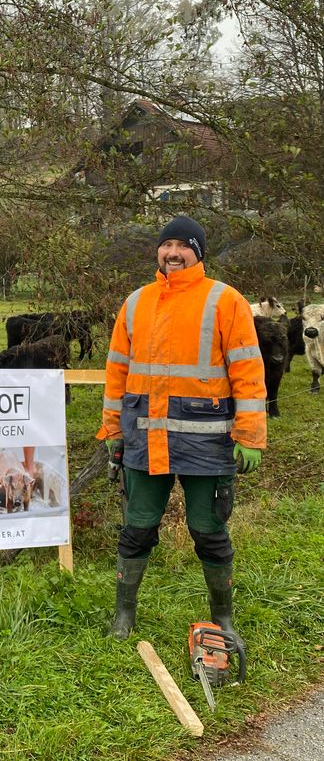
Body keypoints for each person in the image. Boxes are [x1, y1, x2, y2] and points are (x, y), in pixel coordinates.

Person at [97, 216, 266, 641]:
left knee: (209, 531)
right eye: (166, 244)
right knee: (136, 529)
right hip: (142, 440)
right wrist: (112, 428)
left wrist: (249, 435)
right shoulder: (136, 302)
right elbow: (116, 372)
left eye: (183, 246)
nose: (173, 252)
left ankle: (222, 618)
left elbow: (248, 371)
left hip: (207, 445)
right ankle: (124, 616)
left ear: (198, 253)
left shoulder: (224, 301)